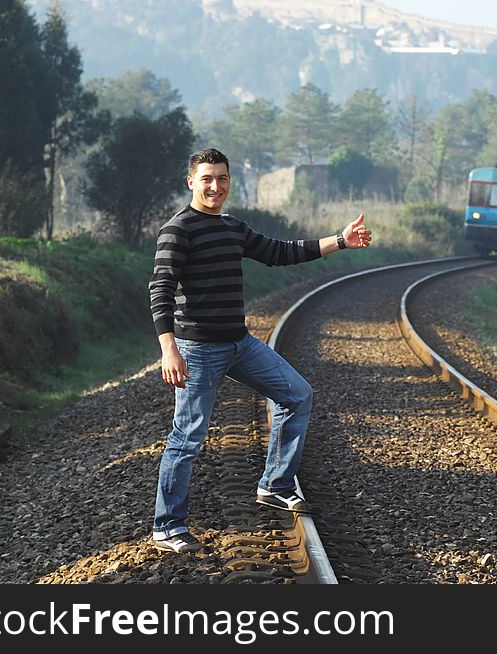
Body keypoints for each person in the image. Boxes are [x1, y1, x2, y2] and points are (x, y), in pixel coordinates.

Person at [148, 148, 372, 553]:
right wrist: (169, 349)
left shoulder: (232, 228)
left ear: (230, 181)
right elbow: (160, 289)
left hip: (238, 343)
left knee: (297, 394)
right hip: (196, 348)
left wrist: (340, 240)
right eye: (207, 179)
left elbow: (280, 252)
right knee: (188, 435)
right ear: (191, 183)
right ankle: (167, 525)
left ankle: (275, 484)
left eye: (222, 178)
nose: (215, 186)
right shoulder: (177, 230)